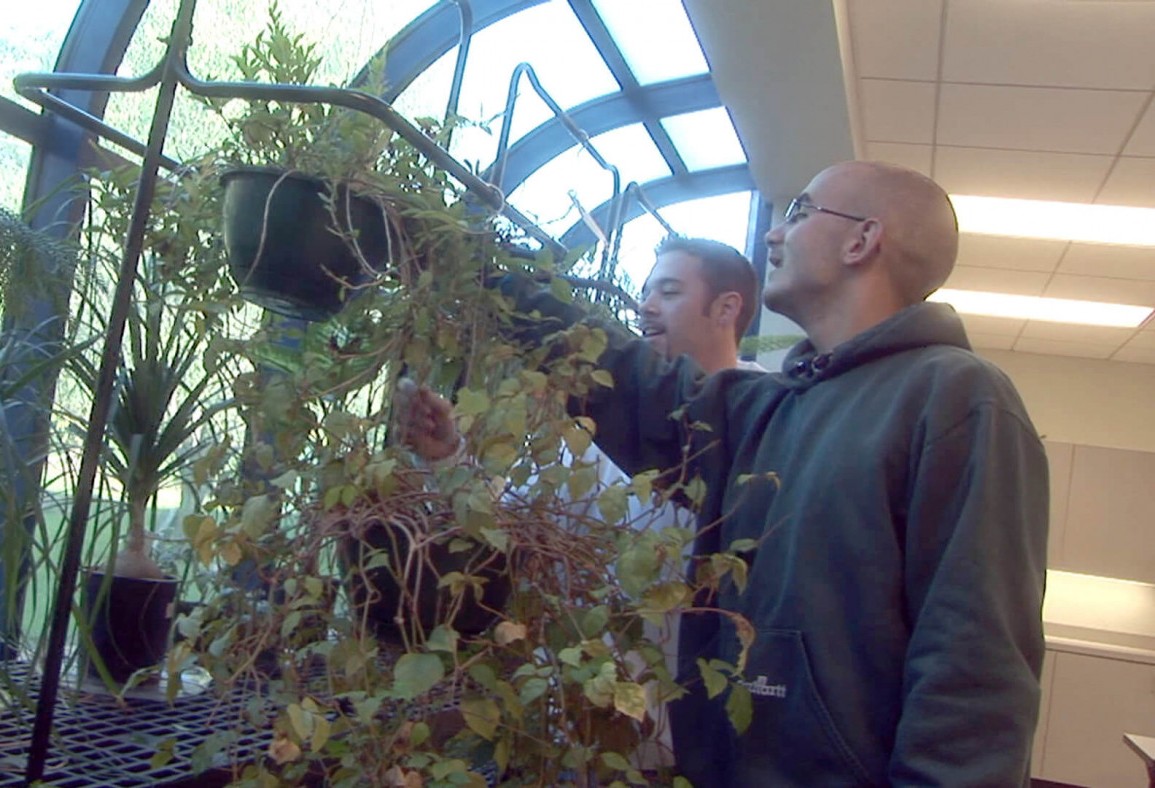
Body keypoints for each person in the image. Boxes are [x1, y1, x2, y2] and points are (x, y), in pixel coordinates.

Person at [406, 161, 1048, 786]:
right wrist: (475, 266)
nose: (774, 232)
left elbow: (974, 662)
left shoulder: (956, 397)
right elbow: (634, 385)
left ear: (862, 239)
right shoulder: (773, 407)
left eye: (799, 212)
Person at [402, 235, 766, 769]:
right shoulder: (584, 429)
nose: (646, 306)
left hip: (690, 756)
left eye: (668, 291)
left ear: (727, 307)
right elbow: (516, 534)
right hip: (565, 743)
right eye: (645, 293)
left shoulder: (764, 434)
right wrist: (450, 457)